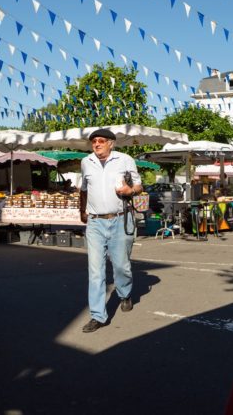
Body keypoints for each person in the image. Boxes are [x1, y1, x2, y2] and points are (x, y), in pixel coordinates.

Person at [78, 128, 143, 333]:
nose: (97, 144)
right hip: (95, 223)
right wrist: (82, 211)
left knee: (121, 266)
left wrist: (130, 190)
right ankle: (98, 315)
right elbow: (84, 190)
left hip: (120, 220)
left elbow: (139, 185)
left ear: (111, 143)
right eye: (94, 141)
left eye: (101, 141)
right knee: (95, 271)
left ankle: (124, 294)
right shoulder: (86, 162)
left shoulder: (125, 160)